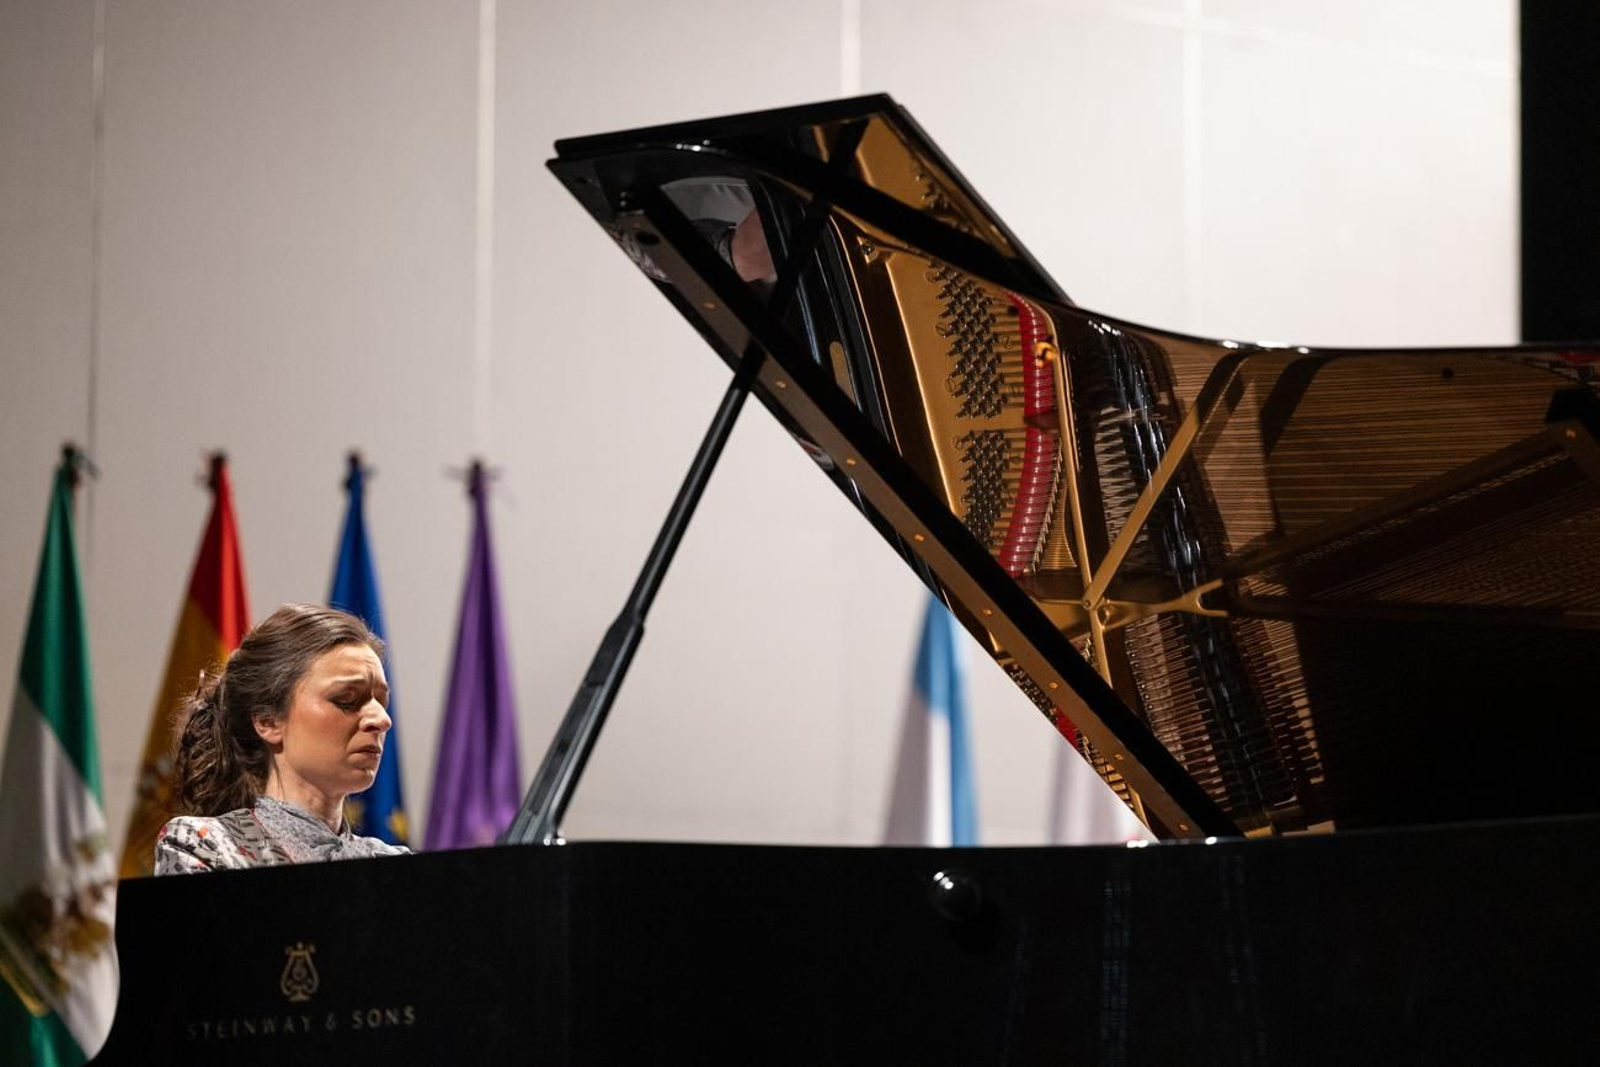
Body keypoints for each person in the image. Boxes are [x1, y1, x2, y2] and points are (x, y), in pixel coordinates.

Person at [154, 603, 410, 874]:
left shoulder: (398, 865)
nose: (382, 720)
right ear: (268, 722)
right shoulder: (205, 845)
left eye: (382, 702)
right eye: (346, 700)